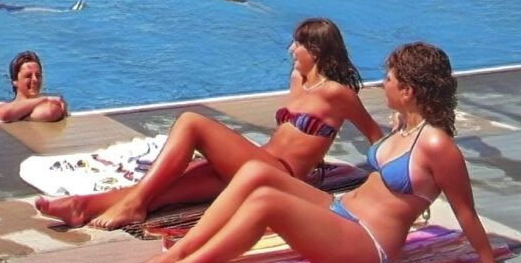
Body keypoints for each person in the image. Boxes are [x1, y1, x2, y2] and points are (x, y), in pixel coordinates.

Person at [113, 43, 521, 263]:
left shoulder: (435, 144)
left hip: (365, 248)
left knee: (267, 200)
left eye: (389, 79)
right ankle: (173, 256)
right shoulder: (405, 127)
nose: (381, 85)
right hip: (339, 212)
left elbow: (466, 211)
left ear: (408, 91)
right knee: (252, 176)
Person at [36, 18, 382, 229]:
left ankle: (131, 204)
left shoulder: (337, 94)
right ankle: (82, 207)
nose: (291, 49)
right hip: (254, 162)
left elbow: (374, 136)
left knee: (192, 123)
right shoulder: (297, 80)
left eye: (298, 44)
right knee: (164, 189)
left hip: (281, 175)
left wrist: (382, 182)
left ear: (316, 51)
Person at [0, 51, 68, 122]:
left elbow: (51, 112)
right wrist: (44, 99)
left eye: (38, 75)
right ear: (15, 81)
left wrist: (17, 116)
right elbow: (4, 114)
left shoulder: (51, 105)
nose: (35, 80)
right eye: (28, 76)